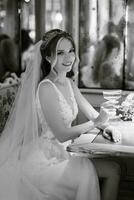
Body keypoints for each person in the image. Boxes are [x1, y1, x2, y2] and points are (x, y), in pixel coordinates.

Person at [0, 29, 121, 200]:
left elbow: (93, 113)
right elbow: (62, 134)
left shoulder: (70, 83)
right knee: (100, 171)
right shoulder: (46, 88)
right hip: (45, 161)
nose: (68, 57)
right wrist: (96, 123)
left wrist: (107, 126)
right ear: (49, 57)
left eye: (71, 51)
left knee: (114, 168)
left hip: (64, 153)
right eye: (60, 53)